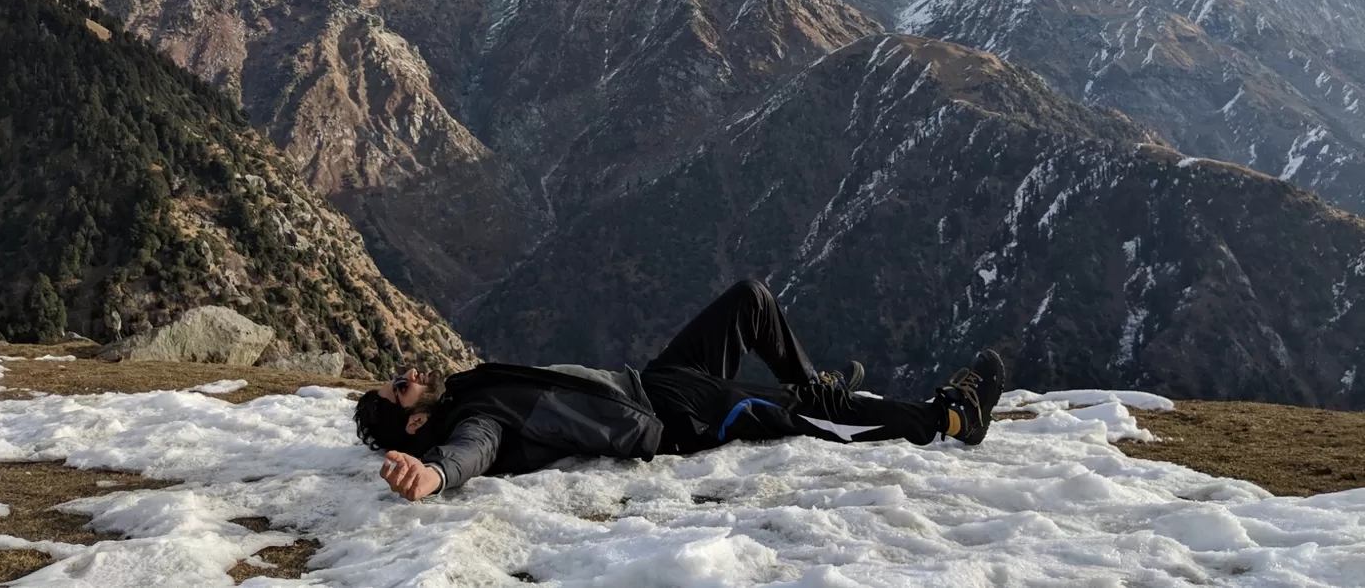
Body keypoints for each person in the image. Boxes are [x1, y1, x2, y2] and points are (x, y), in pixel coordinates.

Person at [354, 279, 1005, 501]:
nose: (409, 375)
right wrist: (432, 477)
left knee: (750, 300)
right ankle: (949, 419)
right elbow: (470, 453)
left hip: (650, 380)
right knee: (814, 418)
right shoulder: (474, 417)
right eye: (400, 389)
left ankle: (811, 385)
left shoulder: (468, 385)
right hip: (671, 417)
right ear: (413, 427)